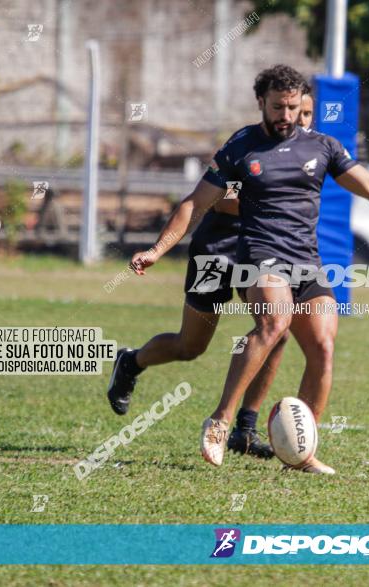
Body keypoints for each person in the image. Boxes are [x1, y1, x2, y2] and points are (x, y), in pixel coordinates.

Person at [128, 64, 369, 474]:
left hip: (306, 261)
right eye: (278, 107)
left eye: (294, 107)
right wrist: (158, 249)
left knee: (323, 347)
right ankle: (221, 421)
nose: (286, 115)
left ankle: (301, 451)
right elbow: (196, 202)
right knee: (272, 325)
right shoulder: (240, 147)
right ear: (261, 102)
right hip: (259, 255)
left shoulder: (323, 147)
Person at [105, 88, 318, 462]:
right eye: (291, 112)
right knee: (191, 346)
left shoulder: (312, 151)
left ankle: (244, 430)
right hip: (220, 246)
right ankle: (132, 361)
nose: (298, 120)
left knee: (276, 331)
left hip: (266, 253)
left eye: (305, 114)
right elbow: (215, 197)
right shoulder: (246, 144)